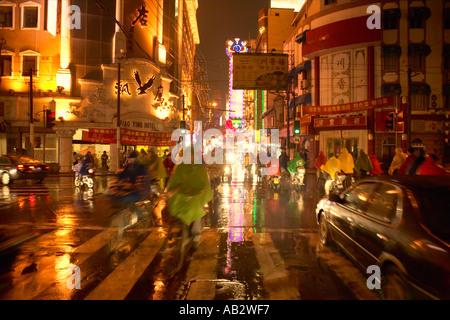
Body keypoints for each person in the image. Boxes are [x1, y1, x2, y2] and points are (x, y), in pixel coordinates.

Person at [165, 147, 213, 244]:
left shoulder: (199, 167)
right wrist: (172, 191)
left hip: (196, 196)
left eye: (190, 155)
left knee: (196, 209)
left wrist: (198, 194)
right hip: (182, 195)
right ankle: (180, 227)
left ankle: (196, 233)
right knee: (175, 204)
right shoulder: (180, 167)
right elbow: (175, 181)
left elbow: (203, 185)